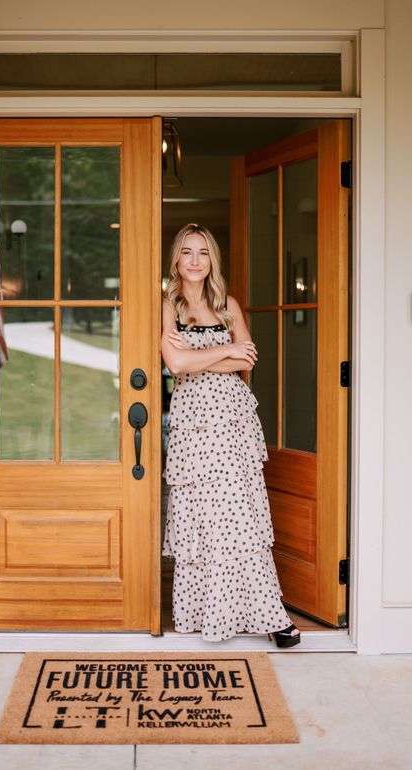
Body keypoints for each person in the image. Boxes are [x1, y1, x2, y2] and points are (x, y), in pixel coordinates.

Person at [161, 222, 301, 647]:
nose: (195, 261)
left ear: (212, 260)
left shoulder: (228, 305)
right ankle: (208, 613)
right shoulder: (169, 304)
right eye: (187, 252)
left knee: (241, 517)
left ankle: (270, 617)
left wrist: (199, 355)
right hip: (195, 424)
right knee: (205, 517)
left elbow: (249, 360)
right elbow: (175, 365)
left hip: (233, 423)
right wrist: (224, 351)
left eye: (203, 252)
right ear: (176, 259)